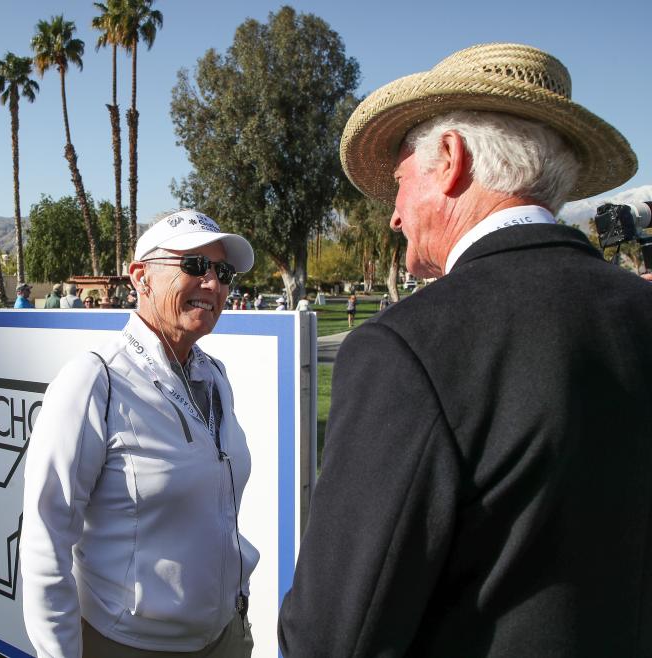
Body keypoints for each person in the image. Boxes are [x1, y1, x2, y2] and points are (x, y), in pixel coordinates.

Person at [278, 42, 652, 657]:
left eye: (398, 182)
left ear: (450, 159)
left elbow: (335, 636)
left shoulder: (409, 347)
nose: (394, 217)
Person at [22, 209, 259, 658]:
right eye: (193, 265)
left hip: (226, 635)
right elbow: (44, 540)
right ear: (141, 277)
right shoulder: (95, 380)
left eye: (222, 271)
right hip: (131, 645)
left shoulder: (214, 375)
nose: (212, 283)